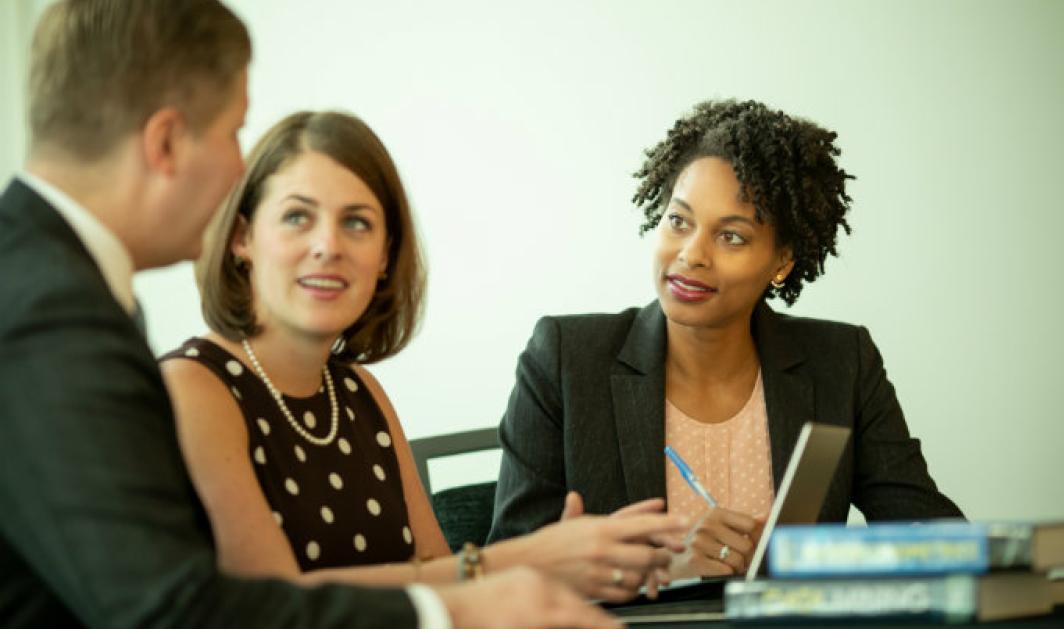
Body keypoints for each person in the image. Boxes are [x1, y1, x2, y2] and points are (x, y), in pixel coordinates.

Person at [0, 1, 623, 627]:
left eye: (357, 222)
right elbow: (176, 608)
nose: (235, 168)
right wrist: (479, 594)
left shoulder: (58, 287)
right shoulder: (52, 312)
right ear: (166, 141)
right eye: (232, 131)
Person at [160, 110, 686, 604]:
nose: (328, 245)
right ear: (241, 237)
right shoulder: (194, 388)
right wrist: (525, 560)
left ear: (386, 256)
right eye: (297, 216)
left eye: (358, 223)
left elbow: (442, 582)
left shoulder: (357, 391)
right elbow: (281, 607)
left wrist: (567, 564)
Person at [487, 98, 964, 579]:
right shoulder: (565, 359)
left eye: (731, 236)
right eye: (679, 221)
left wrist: (804, 559)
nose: (692, 254)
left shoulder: (841, 363)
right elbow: (504, 569)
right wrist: (666, 566)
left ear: (781, 262)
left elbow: (934, 536)